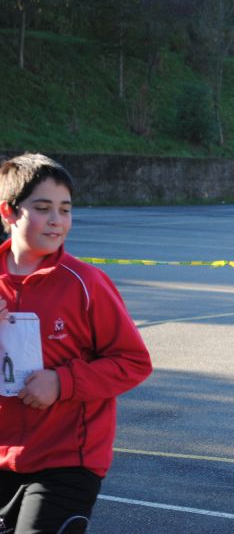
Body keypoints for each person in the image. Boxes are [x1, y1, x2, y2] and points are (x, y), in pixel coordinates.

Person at [0, 153, 152, 534]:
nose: (57, 219)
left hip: (66, 461)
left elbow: (134, 362)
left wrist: (62, 382)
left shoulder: (86, 284)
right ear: (8, 212)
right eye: (43, 208)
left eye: (65, 209)